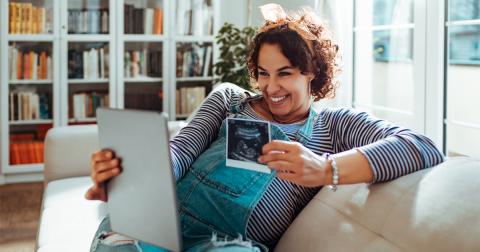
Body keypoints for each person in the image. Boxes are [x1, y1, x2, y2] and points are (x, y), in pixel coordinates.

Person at [85, 3, 444, 252]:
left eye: (284, 73)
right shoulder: (229, 99)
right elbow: (180, 151)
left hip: (225, 244)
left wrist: (325, 168)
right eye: (263, 74)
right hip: (155, 222)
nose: (271, 88)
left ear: (313, 72)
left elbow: (422, 146)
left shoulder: (334, 126)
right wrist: (133, 174)